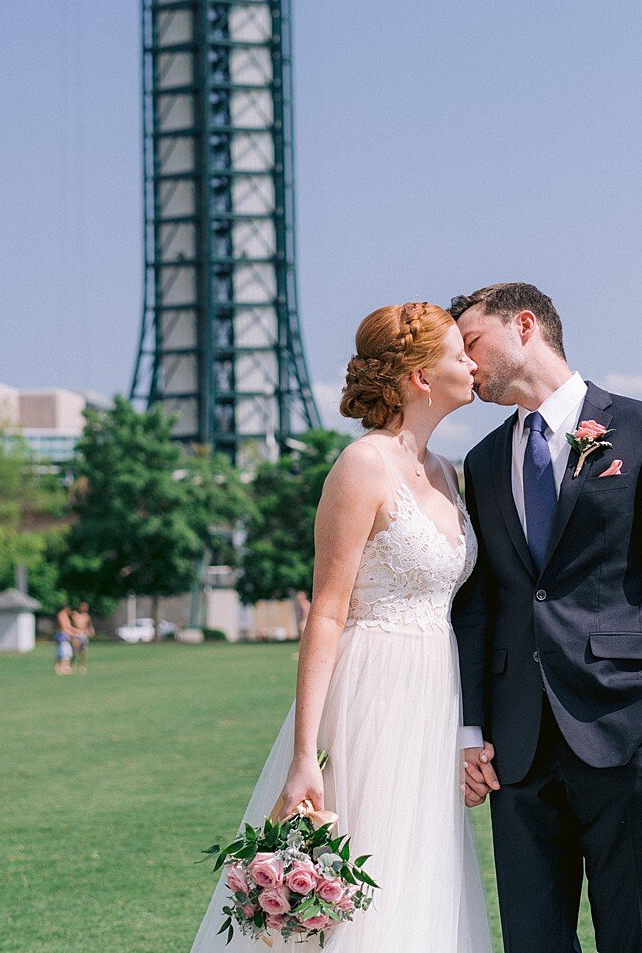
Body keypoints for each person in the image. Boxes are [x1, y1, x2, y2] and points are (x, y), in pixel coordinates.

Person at [191, 302, 492, 952]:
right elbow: (325, 611)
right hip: (370, 700)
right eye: (457, 353)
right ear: (419, 377)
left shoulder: (448, 474)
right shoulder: (362, 466)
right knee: (370, 876)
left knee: (423, 872)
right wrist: (304, 755)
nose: (472, 362)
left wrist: (469, 730)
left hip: (434, 702)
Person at [451, 282, 642, 953]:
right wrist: (471, 727)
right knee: (532, 943)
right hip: (517, 746)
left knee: (634, 937)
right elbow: (481, 604)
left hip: (625, 728)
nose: (465, 362)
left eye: (472, 342)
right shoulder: (479, 462)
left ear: (525, 326)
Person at [69, 602, 95, 672]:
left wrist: (91, 630)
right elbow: (69, 622)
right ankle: (72, 665)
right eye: (83, 607)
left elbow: (89, 625)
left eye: (86, 607)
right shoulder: (74, 614)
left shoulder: (87, 616)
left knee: (84, 651)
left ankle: (82, 666)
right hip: (76, 634)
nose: (84, 608)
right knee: (75, 652)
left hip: (84, 634)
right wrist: (71, 632)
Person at [54, 605, 75, 676]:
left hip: (64, 636)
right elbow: (64, 627)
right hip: (63, 636)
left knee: (64, 652)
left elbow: (68, 627)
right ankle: (63, 668)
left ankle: (62, 668)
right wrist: (72, 634)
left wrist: (74, 631)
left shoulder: (64, 616)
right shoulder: (61, 615)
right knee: (65, 652)